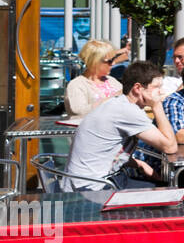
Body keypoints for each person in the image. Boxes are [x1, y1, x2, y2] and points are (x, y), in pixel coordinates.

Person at [61, 61, 177, 191]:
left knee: (165, 188)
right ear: (138, 88)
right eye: (156, 87)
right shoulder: (127, 111)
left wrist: (139, 163)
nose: (161, 91)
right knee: (176, 195)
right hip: (93, 189)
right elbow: (170, 147)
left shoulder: (117, 104)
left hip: (85, 182)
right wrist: (157, 106)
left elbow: (104, 153)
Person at [64, 39, 124, 116]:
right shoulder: (76, 85)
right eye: (110, 61)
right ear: (95, 61)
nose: (113, 63)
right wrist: (113, 98)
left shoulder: (112, 81)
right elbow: (78, 112)